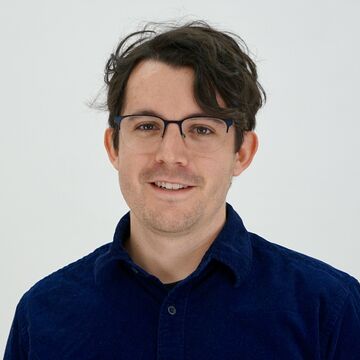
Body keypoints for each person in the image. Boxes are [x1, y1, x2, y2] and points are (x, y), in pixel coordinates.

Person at [4, 20, 360, 360]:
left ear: (242, 152)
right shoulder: (42, 314)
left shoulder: (328, 309)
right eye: (146, 125)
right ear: (114, 145)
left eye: (201, 129)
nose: (170, 155)